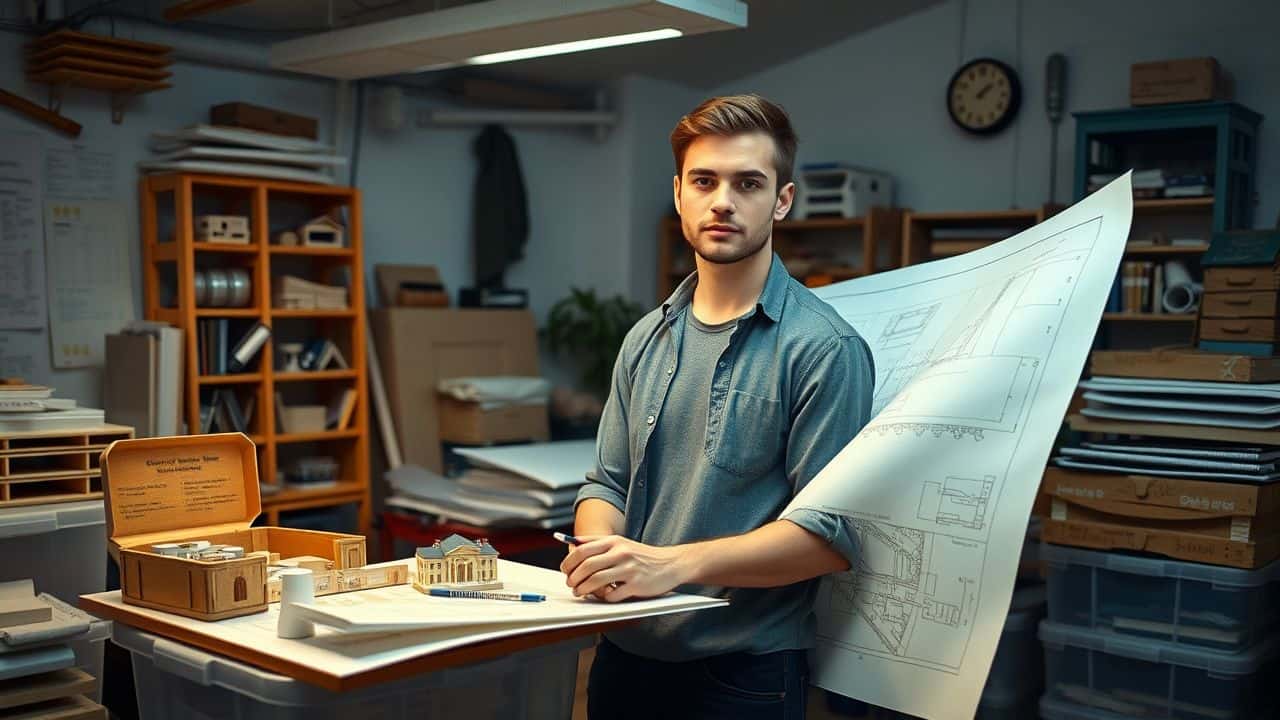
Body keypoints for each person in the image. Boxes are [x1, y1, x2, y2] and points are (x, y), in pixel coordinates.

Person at [561, 94, 876, 720]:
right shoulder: (645, 336)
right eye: (704, 180)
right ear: (679, 193)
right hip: (623, 660)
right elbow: (607, 484)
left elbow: (827, 539)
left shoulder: (824, 349)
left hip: (743, 676)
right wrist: (605, 556)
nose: (723, 201)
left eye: (749, 183)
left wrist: (667, 566)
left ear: (782, 200)